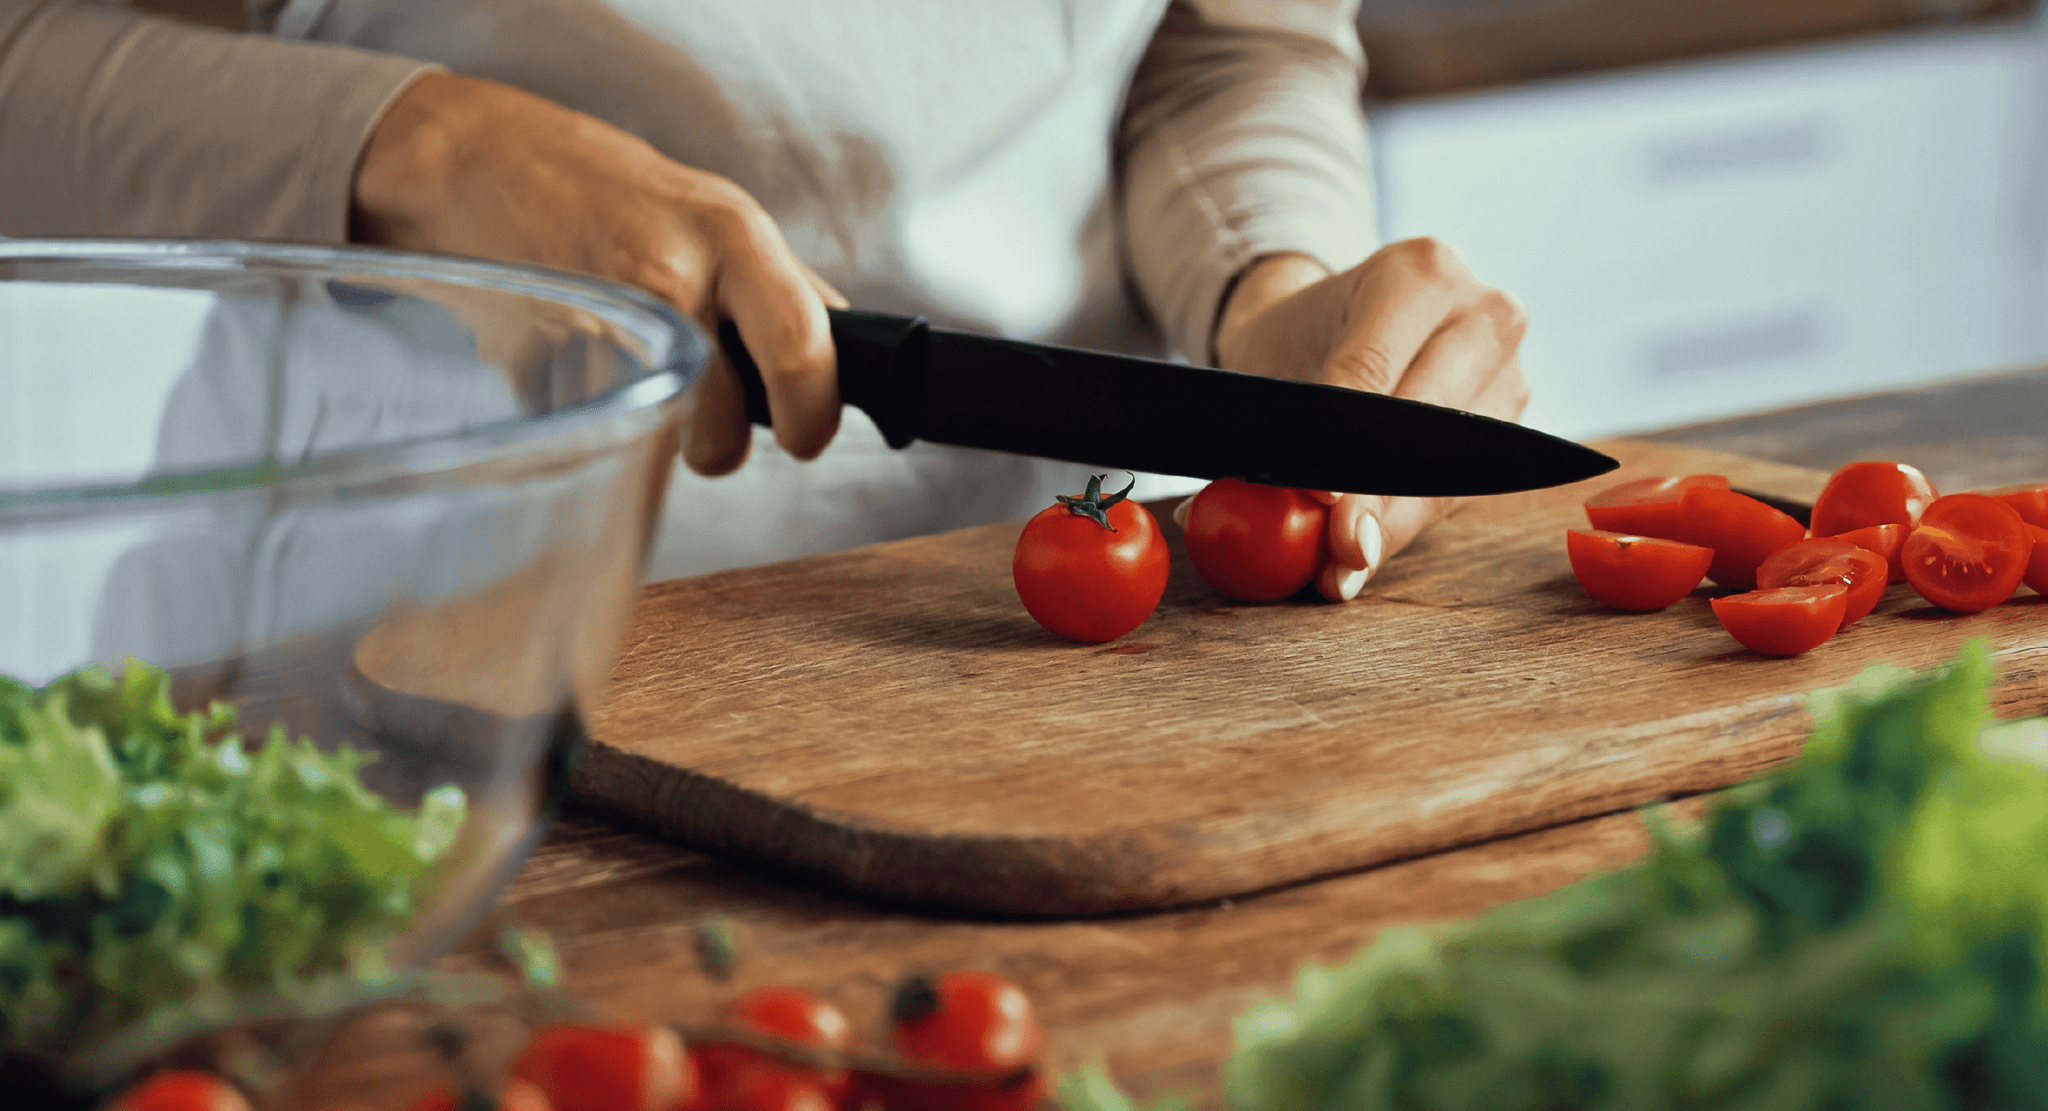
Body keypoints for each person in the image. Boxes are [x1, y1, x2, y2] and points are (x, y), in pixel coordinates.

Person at [0, 0, 1530, 598]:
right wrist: (433, 142)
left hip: (1038, 630)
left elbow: (1224, 45)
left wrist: (1267, 287)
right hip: (419, 659)